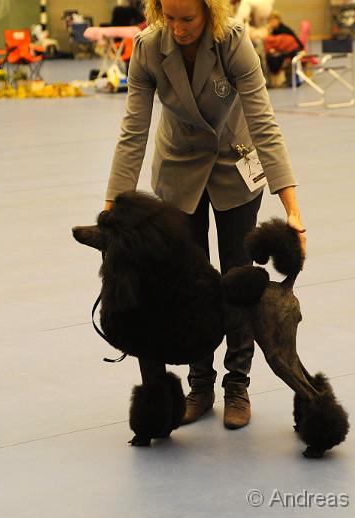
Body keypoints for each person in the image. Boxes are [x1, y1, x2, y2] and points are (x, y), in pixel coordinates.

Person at [104, 0, 306, 430]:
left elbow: (264, 123)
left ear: (209, 11)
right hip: (178, 169)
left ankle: (237, 383)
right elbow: (132, 132)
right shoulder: (146, 48)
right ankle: (200, 384)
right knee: (188, 284)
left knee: (238, 278)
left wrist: (292, 208)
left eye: (188, 19)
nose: (177, 28)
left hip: (234, 163)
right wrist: (111, 208)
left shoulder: (234, 43)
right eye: (169, 17)